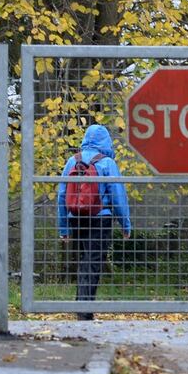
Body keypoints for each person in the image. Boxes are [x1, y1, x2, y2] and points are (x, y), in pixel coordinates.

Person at [57, 124, 131, 321]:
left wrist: (63, 227)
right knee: (94, 261)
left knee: (84, 260)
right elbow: (118, 196)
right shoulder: (107, 163)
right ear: (106, 141)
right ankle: (85, 311)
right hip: (100, 218)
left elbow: (62, 195)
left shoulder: (72, 161)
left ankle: (81, 305)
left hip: (76, 218)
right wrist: (125, 224)